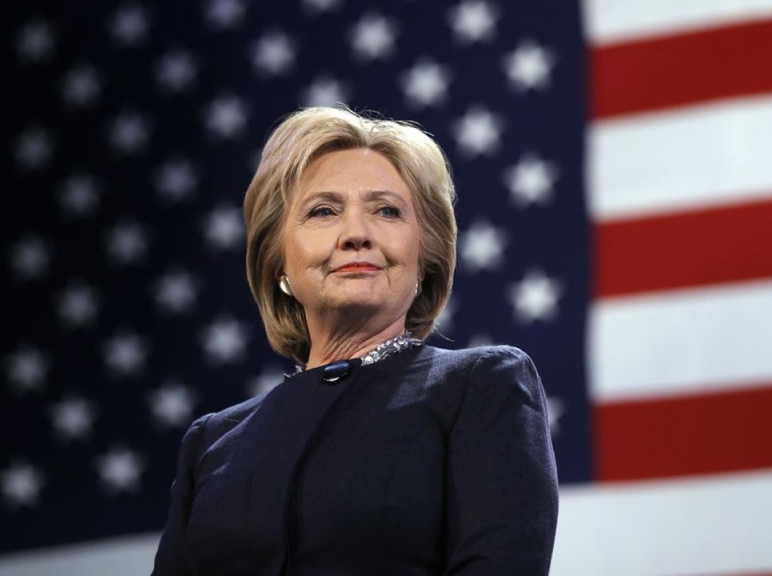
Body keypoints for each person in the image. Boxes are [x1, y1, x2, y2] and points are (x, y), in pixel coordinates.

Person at [152, 106, 558, 575]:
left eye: (386, 210)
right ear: (278, 261)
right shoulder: (211, 443)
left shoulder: (481, 387)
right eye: (323, 211)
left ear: (425, 256)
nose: (356, 235)